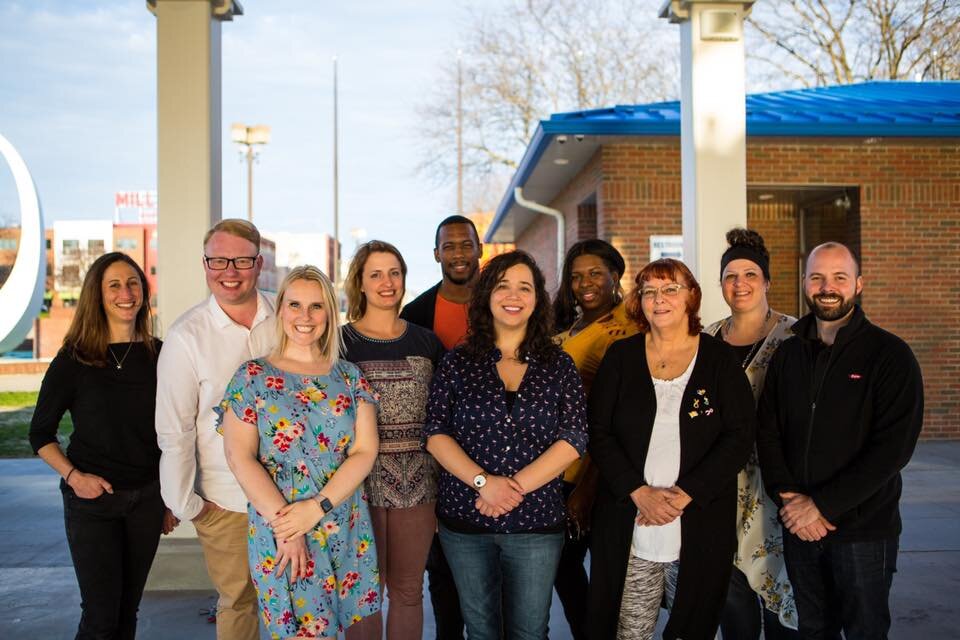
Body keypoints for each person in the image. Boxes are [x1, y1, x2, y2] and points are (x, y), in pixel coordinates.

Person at [757, 242, 924, 640]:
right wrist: (791, 500)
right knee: (812, 629)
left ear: (858, 284)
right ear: (804, 284)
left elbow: (893, 449)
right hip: (799, 526)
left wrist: (822, 506)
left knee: (866, 630)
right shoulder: (787, 355)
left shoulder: (890, 355)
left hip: (863, 530)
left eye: (839, 278)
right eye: (817, 277)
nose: (827, 286)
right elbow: (768, 432)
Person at [587, 258, 755, 640]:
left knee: (692, 630)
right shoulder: (621, 357)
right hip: (630, 523)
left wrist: (686, 494)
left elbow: (739, 436)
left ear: (691, 296)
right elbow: (598, 432)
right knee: (628, 632)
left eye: (670, 289)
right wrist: (637, 491)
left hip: (697, 523)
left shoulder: (719, 361)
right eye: (649, 291)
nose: (658, 299)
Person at [424, 250, 588, 640]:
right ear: (486, 296)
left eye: (524, 287)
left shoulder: (558, 364)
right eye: (503, 286)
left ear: (536, 299)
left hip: (537, 523)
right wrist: (485, 484)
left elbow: (575, 437)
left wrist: (511, 490)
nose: (513, 296)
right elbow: (435, 432)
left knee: (530, 631)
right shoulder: (458, 362)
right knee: (480, 630)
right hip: (465, 522)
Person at [220, 265, 382, 639]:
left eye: (316, 306)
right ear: (280, 310)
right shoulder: (252, 377)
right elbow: (239, 456)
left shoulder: (349, 377)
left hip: (343, 520)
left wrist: (318, 506)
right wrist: (288, 527)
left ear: (329, 312)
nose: (305, 317)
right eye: (294, 304)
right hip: (283, 525)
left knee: (352, 624)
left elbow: (364, 450)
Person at [29, 251, 178, 639]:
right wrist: (75, 477)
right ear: (97, 294)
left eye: (133, 283)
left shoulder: (160, 355)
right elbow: (39, 434)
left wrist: (169, 499)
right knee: (100, 616)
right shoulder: (74, 359)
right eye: (114, 285)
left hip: (146, 501)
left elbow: (173, 432)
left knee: (128, 611)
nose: (126, 293)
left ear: (144, 292)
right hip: (92, 502)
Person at [156, 219, 275, 640]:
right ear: (204, 264)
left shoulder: (287, 315)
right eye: (218, 260)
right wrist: (189, 504)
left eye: (241, 260)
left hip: (295, 495)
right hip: (227, 502)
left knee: (298, 600)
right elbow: (174, 429)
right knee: (238, 604)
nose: (229, 270)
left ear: (258, 263)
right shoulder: (186, 336)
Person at [341, 240, 445, 639]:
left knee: (406, 590)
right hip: (356, 482)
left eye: (395, 273)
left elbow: (444, 415)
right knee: (364, 591)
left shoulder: (427, 342)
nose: (387, 283)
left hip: (417, 484)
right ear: (361, 284)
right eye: (376, 274)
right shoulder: (338, 344)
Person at [703, 228, 799, 639]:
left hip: (777, 482)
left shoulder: (795, 336)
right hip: (720, 484)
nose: (739, 284)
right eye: (730, 276)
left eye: (750, 275)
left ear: (767, 282)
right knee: (731, 598)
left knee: (783, 594)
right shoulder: (706, 338)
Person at [401, 214, 483, 638]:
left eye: (465, 244)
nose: (458, 254)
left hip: (497, 453)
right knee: (443, 567)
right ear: (436, 254)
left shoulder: (502, 301)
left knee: (494, 573)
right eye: (448, 246)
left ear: (479, 249)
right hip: (438, 455)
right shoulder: (416, 314)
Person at [551, 239, 637, 640]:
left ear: (615, 276)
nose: (585, 283)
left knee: (598, 578)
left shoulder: (624, 330)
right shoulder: (571, 326)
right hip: (559, 469)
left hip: (596, 475)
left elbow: (618, 419)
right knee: (564, 571)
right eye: (576, 276)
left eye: (595, 274)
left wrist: (587, 488)